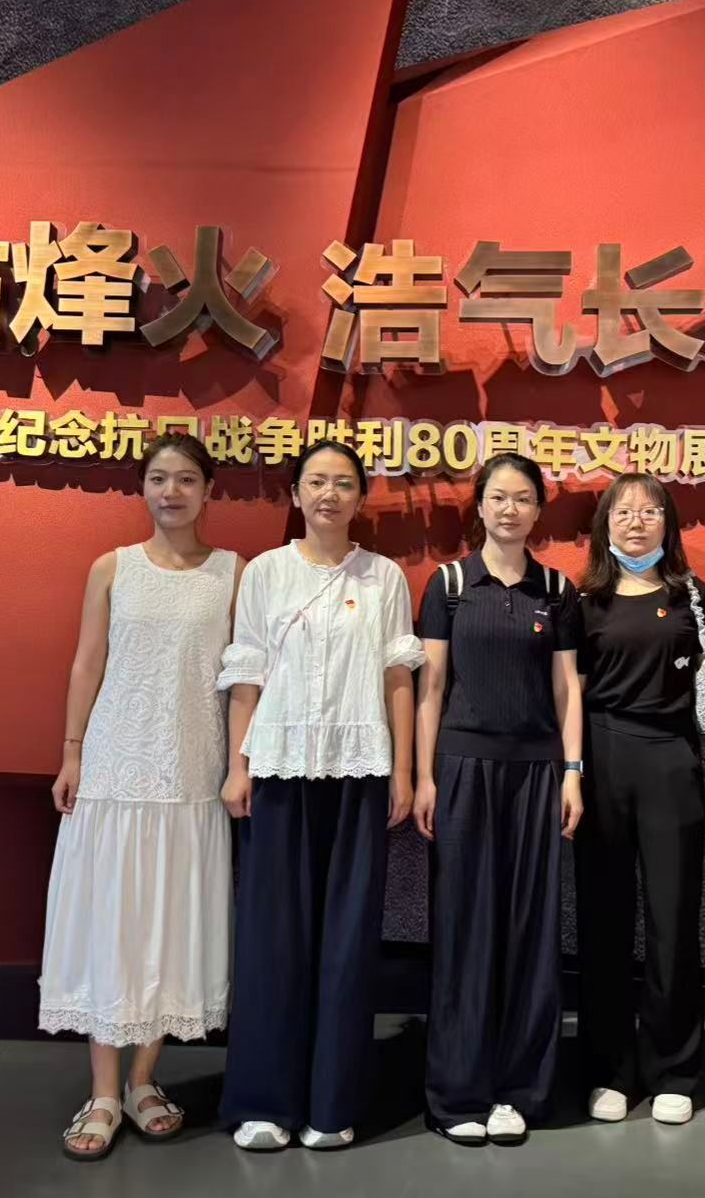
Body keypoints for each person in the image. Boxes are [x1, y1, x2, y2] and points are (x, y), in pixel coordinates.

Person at [216, 439, 424, 1152]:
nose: (329, 494)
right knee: (272, 938)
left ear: (360, 498)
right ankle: (264, 1103)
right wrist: (238, 766)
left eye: (342, 484)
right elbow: (246, 673)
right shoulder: (266, 573)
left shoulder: (384, 576)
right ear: (296, 494)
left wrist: (401, 772)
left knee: (347, 942)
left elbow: (399, 678)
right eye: (316, 482)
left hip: (359, 773)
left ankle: (332, 1105)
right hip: (277, 770)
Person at [40, 432, 240, 1162]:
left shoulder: (233, 573)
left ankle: (144, 1081)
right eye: (158, 478)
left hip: (192, 776)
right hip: (114, 773)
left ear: (208, 489)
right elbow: (87, 662)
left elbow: (243, 677)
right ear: (143, 488)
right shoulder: (112, 567)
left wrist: (238, 763)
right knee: (112, 927)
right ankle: (102, 1093)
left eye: (186, 479)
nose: (171, 491)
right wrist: (71, 753)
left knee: (169, 928)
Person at [413, 453, 584, 1146]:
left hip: (538, 775)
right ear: (479, 506)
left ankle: (519, 1090)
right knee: (464, 927)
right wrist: (424, 777)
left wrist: (572, 773)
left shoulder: (558, 589)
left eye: (523, 499)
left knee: (530, 932)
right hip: (462, 771)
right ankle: (458, 1095)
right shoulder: (450, 585)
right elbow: (430, 689)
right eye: (498, 498)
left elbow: (567, 690)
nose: (510, 510)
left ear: (538, 510)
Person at [575, 472, 705, 1127]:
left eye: (649, 511)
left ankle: (674, 1069)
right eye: (623, 512)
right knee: (603, 919)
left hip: (671, 758)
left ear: (668, 523)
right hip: (601, 759)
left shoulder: (694, 595)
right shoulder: (584, 600)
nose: (636, 522)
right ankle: (610, 1069)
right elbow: (570, 689)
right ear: (605, 525)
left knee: (673, 918)